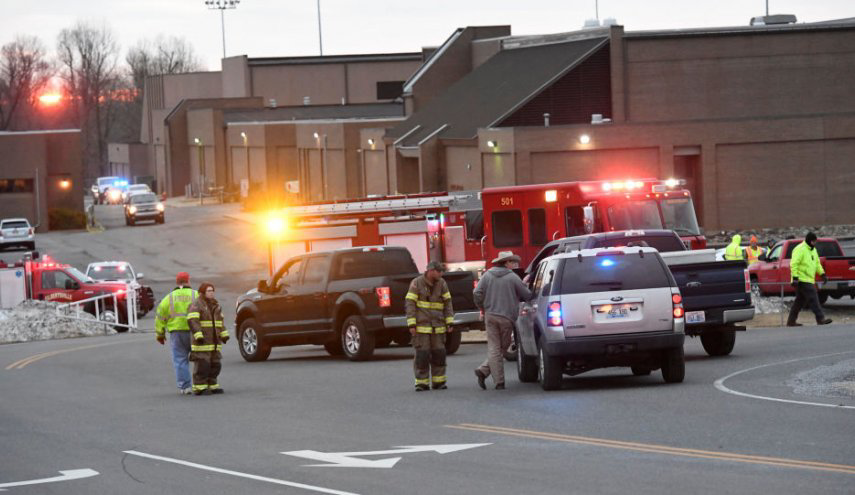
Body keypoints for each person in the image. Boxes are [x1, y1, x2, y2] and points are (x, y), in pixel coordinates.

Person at [473, 251, 532, 390]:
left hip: (490, 315)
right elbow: (527, 295)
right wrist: (525, 286)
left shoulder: (487, 275)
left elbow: (477, 293)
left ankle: (484, 371)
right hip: (507, 318)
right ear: (506, 263)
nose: (514, 264)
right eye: (512, 261)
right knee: (501, 348)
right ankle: (498, 382)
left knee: (495, 348)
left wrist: (482, 306)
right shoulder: (513, 277)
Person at [405, 261, 454, 392]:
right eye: (439, 271)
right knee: (422, 354)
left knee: (439, 353)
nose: (441, 274)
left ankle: (439, 381)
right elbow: (410, 304)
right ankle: (421, 383)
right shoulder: (416, 283)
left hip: (438, 326)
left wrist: (449, 322)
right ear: (431, 270)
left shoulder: (442, 283)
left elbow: (448, 303)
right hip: (421, 327)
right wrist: (411, 323)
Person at [155, 272, 198, 395]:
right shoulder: (196, 295)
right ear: (188, 281)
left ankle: (185, 387)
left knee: (180, 360)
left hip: (177, 333)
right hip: (195, 332)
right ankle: (201, 384)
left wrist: (160, 335)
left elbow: (160, 316)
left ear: (177, 282)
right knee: (200, 358)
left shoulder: (169, 298)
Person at [186, 283, 229, 395]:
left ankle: (212, 385)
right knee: (203, 365)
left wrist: (224, 334)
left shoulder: (216, 305)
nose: (211, 293)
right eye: (209, 291)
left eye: (212, 291)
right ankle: (200, 387)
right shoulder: (196, 304)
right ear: (203, 292)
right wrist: (198, 335)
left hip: (214, 342)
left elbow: (220, 322)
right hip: (202, 342)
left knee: (216, 364)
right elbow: (193, 320)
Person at [787, 232, 832, 327]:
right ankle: (820, 318)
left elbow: (817, 264)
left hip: (809, 279)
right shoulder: (800, 249)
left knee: (799, 302)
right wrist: (795, 277)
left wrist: (822, 274)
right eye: (814, 241)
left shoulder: (813, 250)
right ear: (810, 241)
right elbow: (794, 264)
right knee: (814, 298)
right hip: (801, 279)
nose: (815, 243)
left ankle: (791, 321)